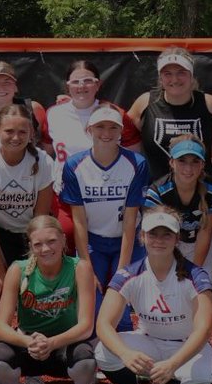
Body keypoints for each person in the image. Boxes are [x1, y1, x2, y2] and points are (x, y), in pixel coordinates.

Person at [95, 207, 212, 384]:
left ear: (177, 239)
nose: (159, 240)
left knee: (199, 381)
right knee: (103, 351)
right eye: (153, 234)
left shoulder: (196, 275)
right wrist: (125, 353)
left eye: (166, 234)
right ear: (142, 237)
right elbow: (103, 324)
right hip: (149, 342)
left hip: (188, 347)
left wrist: (173, 364)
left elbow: (204, 330)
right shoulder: (128, 275)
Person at [0, 215, 97, 384]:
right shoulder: (17, 269)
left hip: (64, 344)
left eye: (51, 241)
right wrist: (30, 342)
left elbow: (86, 326)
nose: (45, 249)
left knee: (86, 358)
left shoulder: (80, 267)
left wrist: (52, 343)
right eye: (38, 244)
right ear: (30, 245)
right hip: (30, 345)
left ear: (64, 240)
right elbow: (1, 328)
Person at [60, 104, 151, 331]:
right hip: (93, 241)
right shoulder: (74, 165)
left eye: (113, 127)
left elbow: (131, 219)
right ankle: (96, 352)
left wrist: (122, 270)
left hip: (128, 241)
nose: (107, 133)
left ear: (121, 131)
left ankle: (126, 351)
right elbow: (79, 220)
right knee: (95, 299)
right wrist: (85, 265)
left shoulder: (136, 163)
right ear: (89, 129)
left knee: (124, 297)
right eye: (100, 127)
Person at [45, 60, 141, 239]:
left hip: (106, 199)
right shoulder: (53, 113)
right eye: (75, 82)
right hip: (66, 198)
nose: (81, 86)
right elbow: (46, 153)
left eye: (88, 80)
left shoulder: (115, 114)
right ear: (67, 86)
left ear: (98, 84)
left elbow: (135, 157)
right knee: (64, 242)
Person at [0, 105, 55, 296]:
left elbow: (40, 220)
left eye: (22, 132)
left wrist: (33, 262)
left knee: (35, 294)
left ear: (31, 133)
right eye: (9, 131)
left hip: (32, 235)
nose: (15, 137)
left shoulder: (44, 163)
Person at [127, 46, 212, 181]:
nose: (175, 79)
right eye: (167, 73)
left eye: (181, 72)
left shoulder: (208, 103)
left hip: (201, 191)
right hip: (156, 193)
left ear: (191, 75)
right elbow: (125, 133)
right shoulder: (145, 102)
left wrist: (211, 150)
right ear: (160, 78)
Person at [143, 137, 212, 274]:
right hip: (168, 242)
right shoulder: (159, 191)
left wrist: (193, 271)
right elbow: (158, 234)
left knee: (199, 287)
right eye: (182, 161)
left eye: (195, 161)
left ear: (202, 164)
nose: (188, 168)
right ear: (172, 162)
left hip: (201, 243)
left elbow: (205, 231)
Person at [0, 60, 50, 156]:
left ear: (15, 87)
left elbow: (47, 144)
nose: (1, 88)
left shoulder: (32, 108)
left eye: (7, 82)